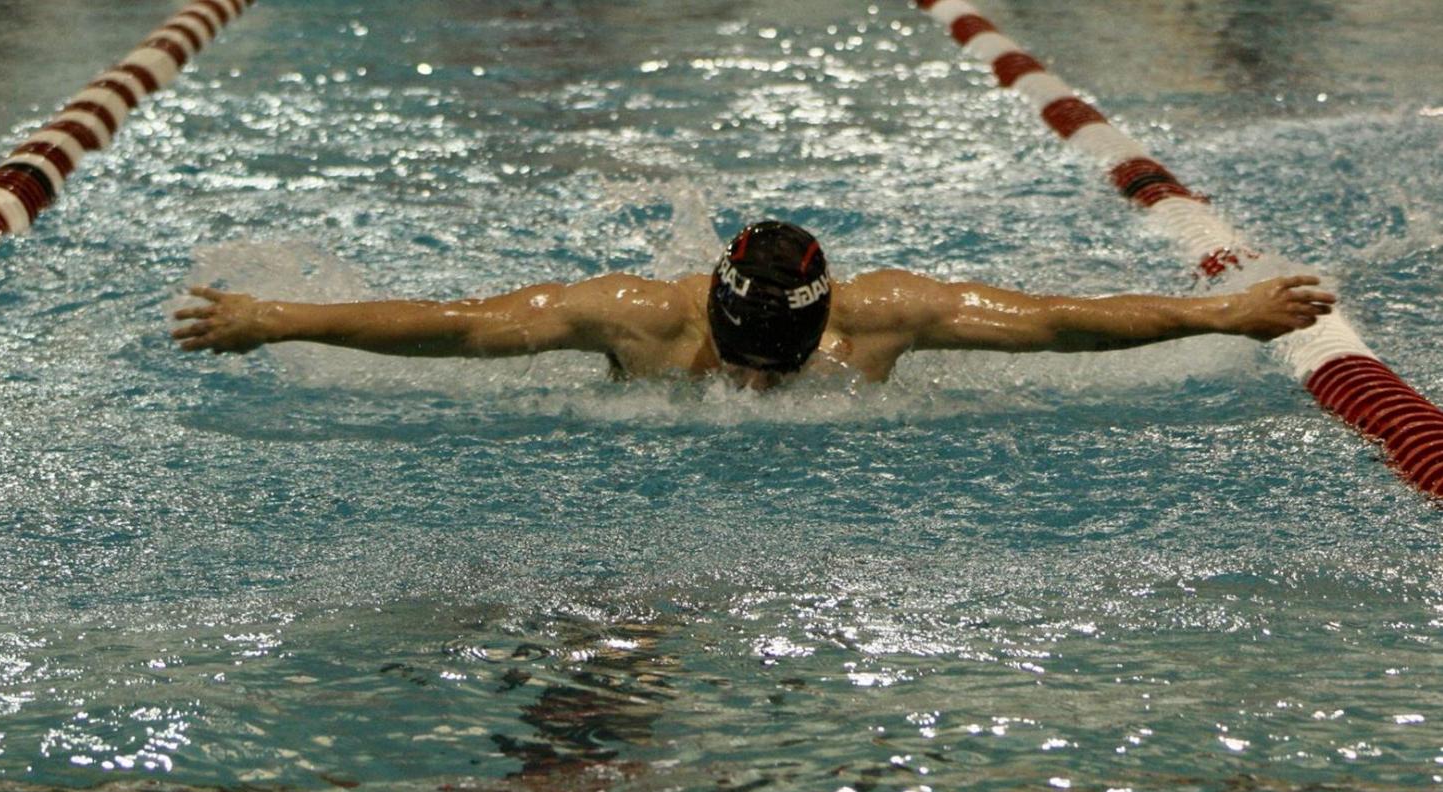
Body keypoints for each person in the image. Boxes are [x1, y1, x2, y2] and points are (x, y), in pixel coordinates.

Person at [171, 219, 1335, 389]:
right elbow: (461, 323)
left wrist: (1223, 316)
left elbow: (1058, 317)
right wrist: (275, 318)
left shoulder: (884, 311)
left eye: (775, 352)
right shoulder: (635, 314)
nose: (749, 376)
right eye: (738, 349)